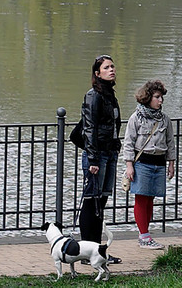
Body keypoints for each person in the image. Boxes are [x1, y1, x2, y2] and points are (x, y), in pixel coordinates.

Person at [122, 80, 176, 249]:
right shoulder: (136, 117)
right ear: (148, 98)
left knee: (151, 199)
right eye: (157, 97)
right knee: (141, 198)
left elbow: (170, 143)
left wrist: (171, 164)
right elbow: (129, 142)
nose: (160, 101)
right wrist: (129, 165)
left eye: (161, 98)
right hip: (142, 163)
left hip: (158, 163)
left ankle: (145, 234)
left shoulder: (165, 119)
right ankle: (144, 235)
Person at [79, 54, 122, 264]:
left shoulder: (109, 95)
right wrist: (93, 159)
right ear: (97, 73)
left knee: (101, 202)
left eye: (112, 66)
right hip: (97, 156)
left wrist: (116, 147)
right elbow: (90, 129)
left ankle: (97, 252)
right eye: (107, 67)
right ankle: (88, 253)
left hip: (110, 152)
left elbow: (112, 126)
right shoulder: (93, 95)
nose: (112, 69)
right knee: (91, 202)